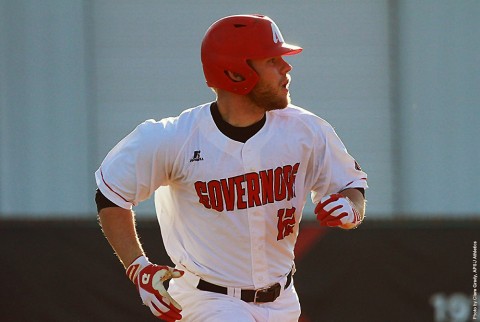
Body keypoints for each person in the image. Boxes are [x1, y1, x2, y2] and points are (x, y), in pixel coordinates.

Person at [95, 14, 367, 322]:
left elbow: (350, 185)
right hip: (208, 299)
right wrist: (138, 266)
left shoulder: (306, 129)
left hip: (283, 301)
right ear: (236, 74)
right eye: (272, 60)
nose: (286, 68)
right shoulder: (173, 137)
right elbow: (111, 195)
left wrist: (352, 208)